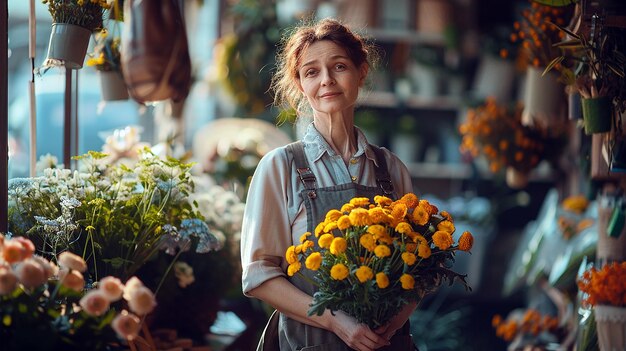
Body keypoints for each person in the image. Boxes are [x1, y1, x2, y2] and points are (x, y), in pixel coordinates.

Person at [240, 18, 417, 351]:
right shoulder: (281, 167)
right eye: (311, 72)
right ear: (300, 84)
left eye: (339, 66)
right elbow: (258, 275)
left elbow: (418, 268)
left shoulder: (391, 169)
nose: (326, 81)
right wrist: (337, 322)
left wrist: (390, 325)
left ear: (361, 71)